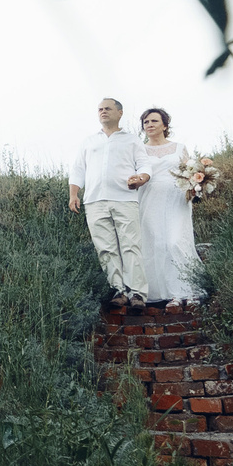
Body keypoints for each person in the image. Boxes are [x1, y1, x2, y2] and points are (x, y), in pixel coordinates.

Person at [68, 96, 149, 307]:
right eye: (100, 109)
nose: (103, 111)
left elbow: (144, 165)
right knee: (105, 247)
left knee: (131, 245)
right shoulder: (89, 141)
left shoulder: (131, 140)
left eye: (108, 108)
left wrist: (141, 178)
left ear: (120, 113)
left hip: (125, 198)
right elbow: (78, 169)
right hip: (94, 201)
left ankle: (137, 294)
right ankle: (118, 291)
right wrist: (73, 194)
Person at [135, 106, 202, 303]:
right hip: (150, 198)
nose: (149, 125)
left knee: (175, 240)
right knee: (157, 243)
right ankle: (171, 294)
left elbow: (191, 171)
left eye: (154, 121)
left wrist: (197, 187)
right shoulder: (140, 150)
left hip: (176, 197)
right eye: (146, 122)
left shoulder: (179, 148)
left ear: (165, 125)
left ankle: (189, 290)